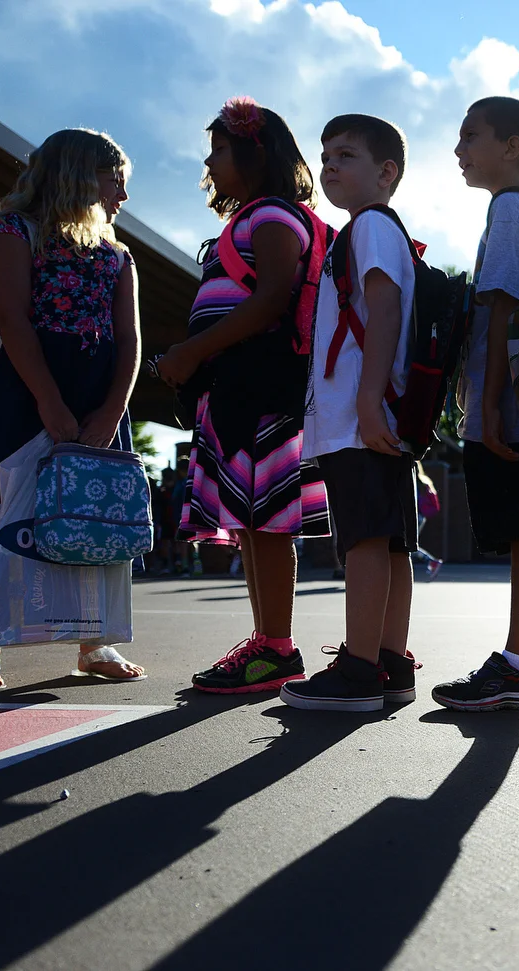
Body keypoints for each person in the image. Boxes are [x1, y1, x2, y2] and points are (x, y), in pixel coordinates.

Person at [0, 129, 145, 690]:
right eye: (117, 183)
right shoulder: (15, 230)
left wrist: (111, 411)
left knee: (98, 513)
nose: (123, 198)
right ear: (81, 176)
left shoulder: (118, 253)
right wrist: (50, 403)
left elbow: (129, 341)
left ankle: (96, 641)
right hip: (29, 387)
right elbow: (14, 322)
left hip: (100, 389)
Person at [157, 98, 331, 695]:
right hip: (240, 388)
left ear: (257, 152)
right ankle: (267, 642)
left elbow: (271, 301)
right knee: (255, 522)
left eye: (220, 148)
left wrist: (191, 351)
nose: (209, 160)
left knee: (268, 523)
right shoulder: (255, 217)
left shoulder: (275, 218)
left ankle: (278, 646)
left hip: (265, 387)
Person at [431, 97, 519, 711]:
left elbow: (504, 310)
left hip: (512, 403)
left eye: (471, 136)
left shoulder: (510, 209)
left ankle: (518, 665)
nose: (459, 150)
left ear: (511, 147)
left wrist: (485, 404)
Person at [280, 113, 419, 712]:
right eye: (326, 155)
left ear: (386, 172)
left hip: (364, 416)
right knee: (387, 542)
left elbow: (382, 309)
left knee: (363, 541)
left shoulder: (368, 227)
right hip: (381, 414)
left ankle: (359, 670)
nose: (330, 164)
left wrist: (365, 402)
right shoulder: (377, 229)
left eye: (346, 155)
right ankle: (388, 660)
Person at [413, 467, 443, 581]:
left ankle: (431, 560)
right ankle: (431, 561)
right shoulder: (425, 480)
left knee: (406, 545)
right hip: (420, 516)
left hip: (415, 515)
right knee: (407, 544)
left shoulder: (414, 480)